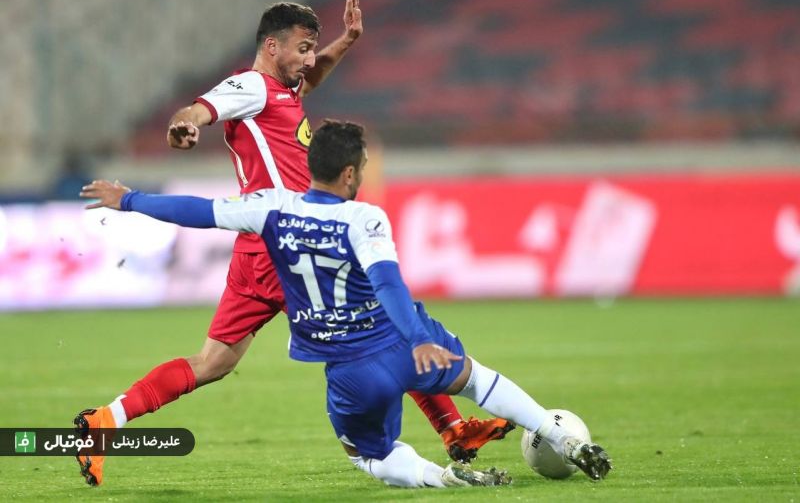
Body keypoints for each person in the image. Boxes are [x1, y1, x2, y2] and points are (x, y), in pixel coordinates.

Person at [74, 0, 509, 487]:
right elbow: (200, 108)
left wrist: (347, 41)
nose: (308, 58)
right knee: (381, 324)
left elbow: (312, 76)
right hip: (289, 245)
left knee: (213, 362)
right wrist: (184, 126)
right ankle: (452, 428)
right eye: (302, 48)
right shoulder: (250, 86)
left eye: (311, 49)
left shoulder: (283, 89)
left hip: (257, 249)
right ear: (271, 46)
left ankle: (106, 420)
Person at [80, 120, 612, 488]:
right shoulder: (365, 218)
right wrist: (417, 337)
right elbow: (389, 285)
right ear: (351, 174)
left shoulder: (271, 207)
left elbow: (198, 210)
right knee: (477, 379)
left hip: (350, 372)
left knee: (367, 456)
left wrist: (130, 200)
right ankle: (558, 435)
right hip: (398, 343)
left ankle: (442, 478)